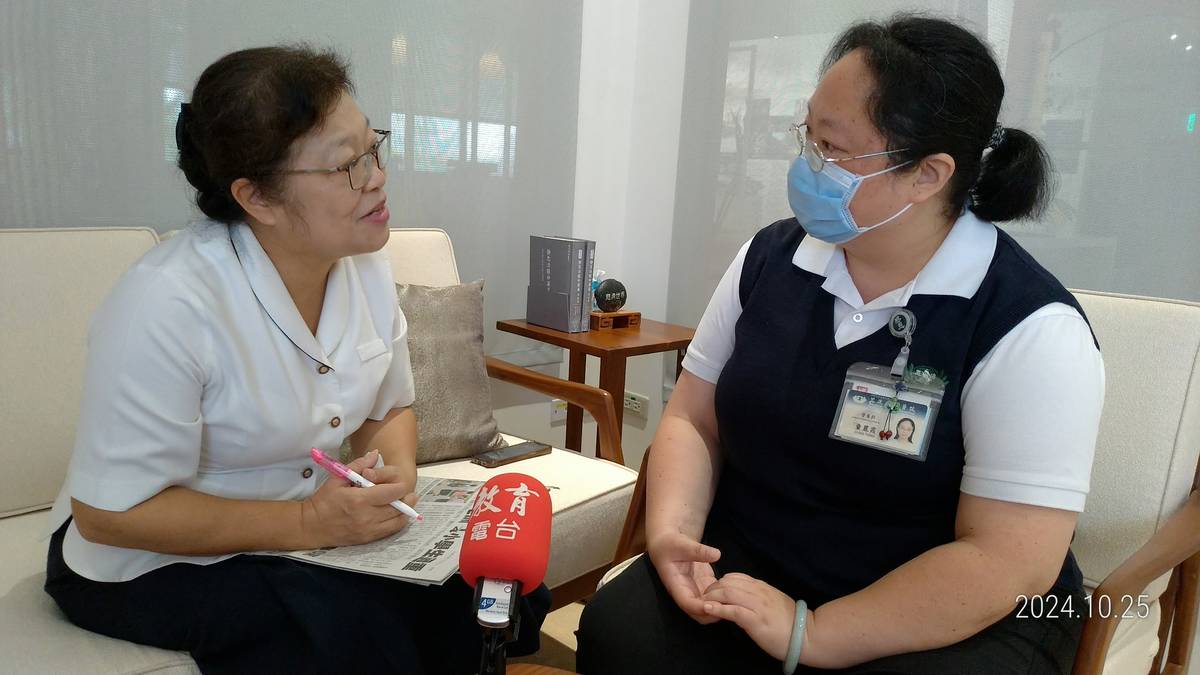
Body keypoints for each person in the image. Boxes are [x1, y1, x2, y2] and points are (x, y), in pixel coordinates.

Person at [578, 14, 1103, 675]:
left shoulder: (1031, 328)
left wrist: (814, 632)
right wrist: (673, 533)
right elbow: (691, 416)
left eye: (832, 148)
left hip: (946, 608)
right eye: (809, 135)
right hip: (760, 559)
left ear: (928, 174)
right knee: (621, 634)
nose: (807, 164)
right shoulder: (769, 259)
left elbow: (1007, 561)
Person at [43, 45, 548, 674]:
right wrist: (309, 522)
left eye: (373, 148)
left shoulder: (362, 264)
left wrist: (394, 474)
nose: (378, 176)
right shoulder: (166, 303)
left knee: (476, 594)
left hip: (304, 532)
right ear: (259, 198)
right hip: (151, 560)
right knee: (349, 628)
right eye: (347, 166)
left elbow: (389, 408)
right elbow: (110, 514)